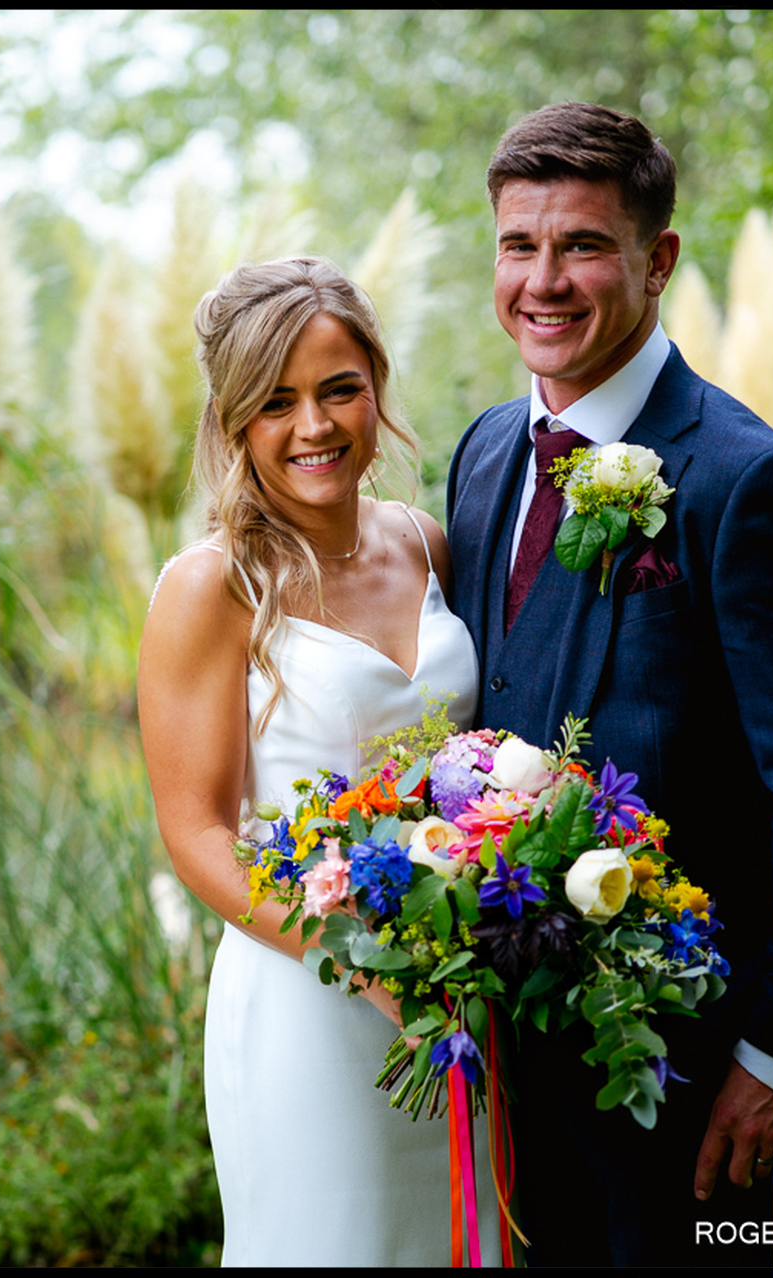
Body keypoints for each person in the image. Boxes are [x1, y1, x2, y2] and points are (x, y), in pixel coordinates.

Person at [443, 102, 773, 1266]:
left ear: (658, 260)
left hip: (680, 1069)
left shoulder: (752, 483)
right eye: (518, 246)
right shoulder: (485, 452)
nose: (545, 281)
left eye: (583, 245)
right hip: (501, 1052)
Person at [138, 257, 499, 1266]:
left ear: (377, 386)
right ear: (234, 421)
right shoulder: (211, 587)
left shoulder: (426, 544)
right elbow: (197, 830)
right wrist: (359, 955)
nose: (316, 428)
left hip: (456, 981)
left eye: (340, 390)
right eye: (277, 403)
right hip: (310, 994)